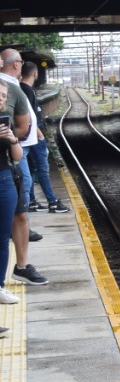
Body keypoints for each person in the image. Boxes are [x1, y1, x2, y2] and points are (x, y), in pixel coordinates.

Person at [0, 49, 45, 285]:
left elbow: (23, 126)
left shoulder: (11, 88)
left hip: (9, 162)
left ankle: (22, 266)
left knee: (20, 212)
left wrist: (9, 138)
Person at [20, 62, 69, 214]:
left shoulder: (21, 89)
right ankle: (52, 202)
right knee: (42, 169)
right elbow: (28, 115)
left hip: (28, 137)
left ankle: (33, 201)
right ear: (35, 73)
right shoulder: (26, 91)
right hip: (33, 136)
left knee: (30, 169)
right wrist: (40, 134)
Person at [0, 82, 23, 314]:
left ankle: (0, 286)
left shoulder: (5, 119)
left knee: (3, 238)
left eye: (3, 95)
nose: (0, 98)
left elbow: (16, 156)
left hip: (5, 180)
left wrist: (12, 139)